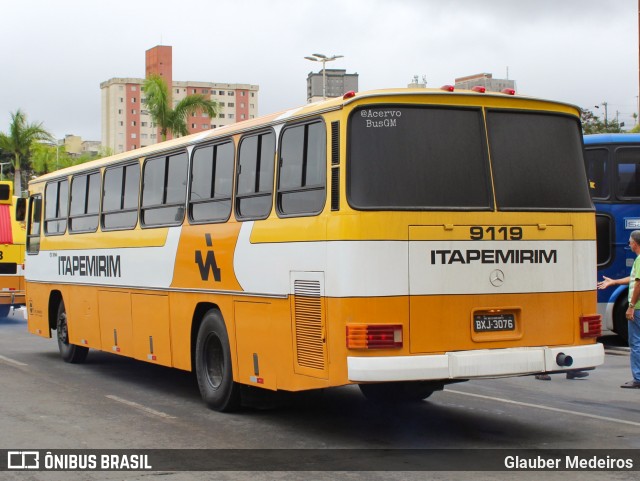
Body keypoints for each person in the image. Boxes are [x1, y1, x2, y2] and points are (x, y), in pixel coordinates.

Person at [597, 229, 640, 389]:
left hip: (638, 308)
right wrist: (614, 282)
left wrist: (630, 307)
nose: (628, 244)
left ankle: (638, 378)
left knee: (635, 343)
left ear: (635, 243)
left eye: (629, 241)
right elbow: (633, 278)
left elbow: (638, 284)